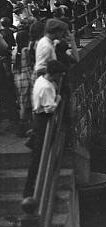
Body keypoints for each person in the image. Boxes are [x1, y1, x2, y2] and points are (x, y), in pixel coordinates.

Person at [23, 59, 67, 198]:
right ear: (54, 74)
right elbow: (49, 109)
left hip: (37, 118)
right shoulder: (47, 87)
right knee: (39, 158)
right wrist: (58, 99)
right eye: (59, 75)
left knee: (38, 156)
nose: (60, 78)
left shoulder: (40, 80)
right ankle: (31, 191)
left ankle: (32, 189)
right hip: (43, 121)